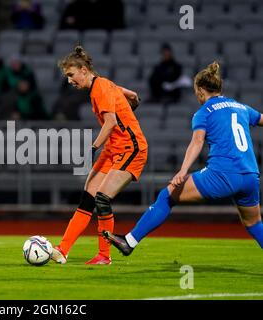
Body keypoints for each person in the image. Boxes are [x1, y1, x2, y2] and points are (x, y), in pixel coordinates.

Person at [104, 62, 263, 255]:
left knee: (168, 194)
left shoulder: (204, 112)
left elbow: (197, 142)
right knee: (253, 223)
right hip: (250, 175)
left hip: (223, 173)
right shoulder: (241, 107)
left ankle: (129, 241)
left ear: (201, 89)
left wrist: (182, 170)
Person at [51, 46, 147, 265]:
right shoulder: (102, 84)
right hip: (113, 149)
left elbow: (111, 123)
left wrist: (92, 148)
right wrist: (129, 94)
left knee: (102, 198)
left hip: (131, 148)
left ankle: (104, 255)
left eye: (71, 75)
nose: (70, 81)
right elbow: (120, 91)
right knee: (88, 198)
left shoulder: (100, 87)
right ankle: (63, 249)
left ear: (84, 70)